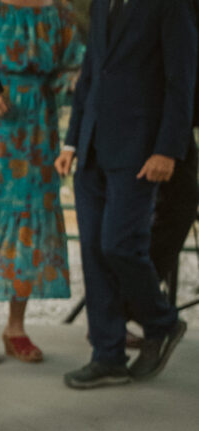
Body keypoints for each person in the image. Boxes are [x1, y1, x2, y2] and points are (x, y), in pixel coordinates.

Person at [56, 0, 197, 389]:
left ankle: (163, 323)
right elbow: (91, 74)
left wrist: (168, 149)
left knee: (120, 244)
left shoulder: (171, 7)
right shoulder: (102, 4)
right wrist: (71, 143)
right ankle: (108, 357)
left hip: (140, 148)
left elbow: (181, 79)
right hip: (91, 149)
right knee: (93, 253)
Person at [0, 0, 84, 365]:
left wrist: (74, 81)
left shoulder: (59, 12)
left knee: (29, 225)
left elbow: (74, 70)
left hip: (38, 132)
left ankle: (15, 327)